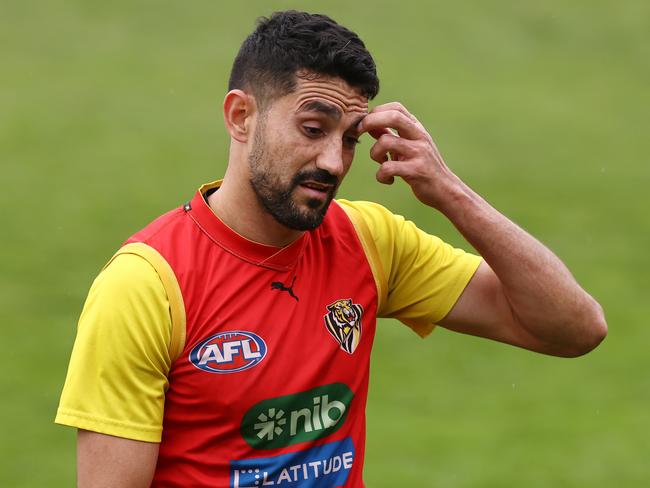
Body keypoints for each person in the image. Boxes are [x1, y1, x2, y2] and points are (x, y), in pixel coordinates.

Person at [55, 10, 607, 488]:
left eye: (349, 138)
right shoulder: (146, 286)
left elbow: (574, 329)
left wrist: (449, 192)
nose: (333, 163)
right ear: (240, 117)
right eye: (313, 128)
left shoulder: (369, 242)